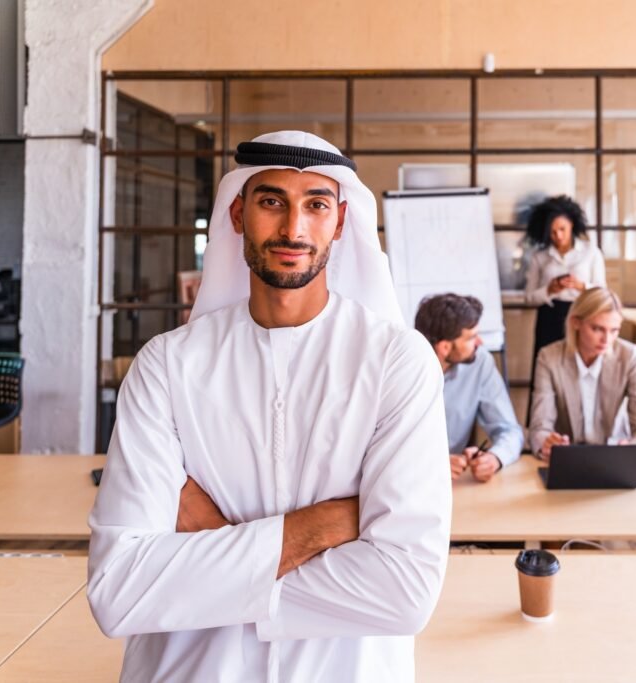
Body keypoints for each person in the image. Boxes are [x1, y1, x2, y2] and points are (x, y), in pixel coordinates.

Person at [87, 131, 451, 683]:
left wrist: (207, 561)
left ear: (341, 220)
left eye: (316, 205)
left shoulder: (397, 362)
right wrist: (322, 526)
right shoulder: (166, 366)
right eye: (272, 201)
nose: (293, 228)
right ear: (236, 213)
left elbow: (403, 592)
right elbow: (118, 589)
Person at [529, 286, 636, 458]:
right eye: (597, 329)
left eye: (614, 330)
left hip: (614, 455)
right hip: (567, 458)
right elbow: (539, 428)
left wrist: (631, 449)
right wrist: (548, 443)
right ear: (576, 323)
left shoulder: (630, 356)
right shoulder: (549, 357)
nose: (607, 340)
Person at [415, 293, 524, 482]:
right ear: (445, 348)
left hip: (457, 485)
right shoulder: (402, 372)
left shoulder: (480, 362)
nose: (480, 342)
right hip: (409, 484)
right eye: (472, 337)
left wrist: (495, 458)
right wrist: (430, 464)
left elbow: (510, 431)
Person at [524, 195, 606, 358]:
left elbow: (602, 292)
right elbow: (529, 298)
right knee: (546, 360)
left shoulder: (591, 252)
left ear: (572, 224)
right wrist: (549, 290)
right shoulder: (540, 257)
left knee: (577, 361)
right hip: (548, 316)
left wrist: (581, 286)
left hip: (581, 314)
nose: (558, 236)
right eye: (552, 232)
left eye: (562, 229)